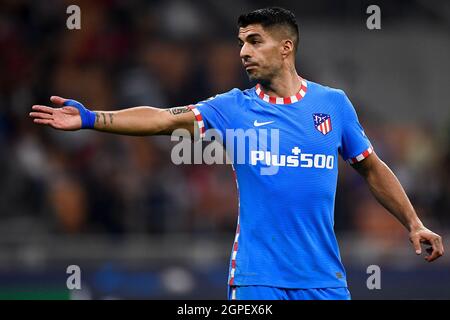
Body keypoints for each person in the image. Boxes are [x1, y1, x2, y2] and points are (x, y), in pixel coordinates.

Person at [29, 7, 444, 300]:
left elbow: (371, 168)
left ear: (286, 47)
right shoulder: (233, 106)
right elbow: (161, 119)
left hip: (324, 279)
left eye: (255, 41)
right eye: (241, 42)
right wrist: (92, 118)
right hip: (257, 277)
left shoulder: (333, 104)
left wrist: (413, 223)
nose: (243, 51)